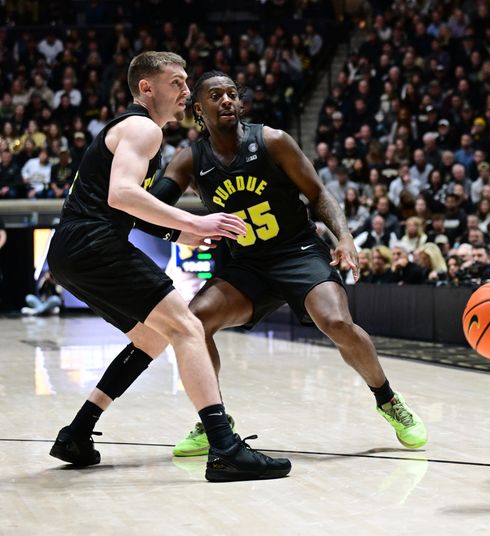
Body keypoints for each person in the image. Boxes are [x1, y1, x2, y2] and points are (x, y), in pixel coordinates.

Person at [138, 71, 426, 455]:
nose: (226, 100)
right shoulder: (190, 159)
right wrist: (145, 185)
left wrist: (343, 236)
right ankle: (213, 421)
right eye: (216, 95)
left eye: (232, 94)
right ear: (198, 110)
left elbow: (318, 193)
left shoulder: (271, 140)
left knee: (337, 322)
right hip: (245, 266)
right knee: (194, 324)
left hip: (297, 252)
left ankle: (389, 400)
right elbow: (152, 208)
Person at [46, 52, 290, 482]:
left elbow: (127, 206)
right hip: (93, 244)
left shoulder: (133, 132)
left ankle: (76, 433)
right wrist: (196, 221)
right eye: (176, 83)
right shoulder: (142, 128)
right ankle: (224, 447)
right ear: (146, 88)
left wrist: (178, 234)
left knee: (153, 338)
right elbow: (122, 195)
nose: (185, 92)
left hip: (71, 251)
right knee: (189, 328)